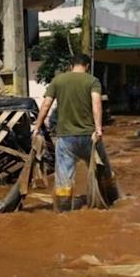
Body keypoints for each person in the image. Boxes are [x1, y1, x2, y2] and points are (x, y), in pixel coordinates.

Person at [32, 53, 118, 212]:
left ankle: (64, 214)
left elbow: (46, 105)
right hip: (89, 137)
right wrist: (98, 129)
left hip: (65, 139)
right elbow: (96, 104)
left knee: (64, 180)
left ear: (70, 66)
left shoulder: (58, 81)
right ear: (87, 66)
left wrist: (37, 127)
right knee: (104, 170)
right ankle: (113, 203)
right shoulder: (92, 81)